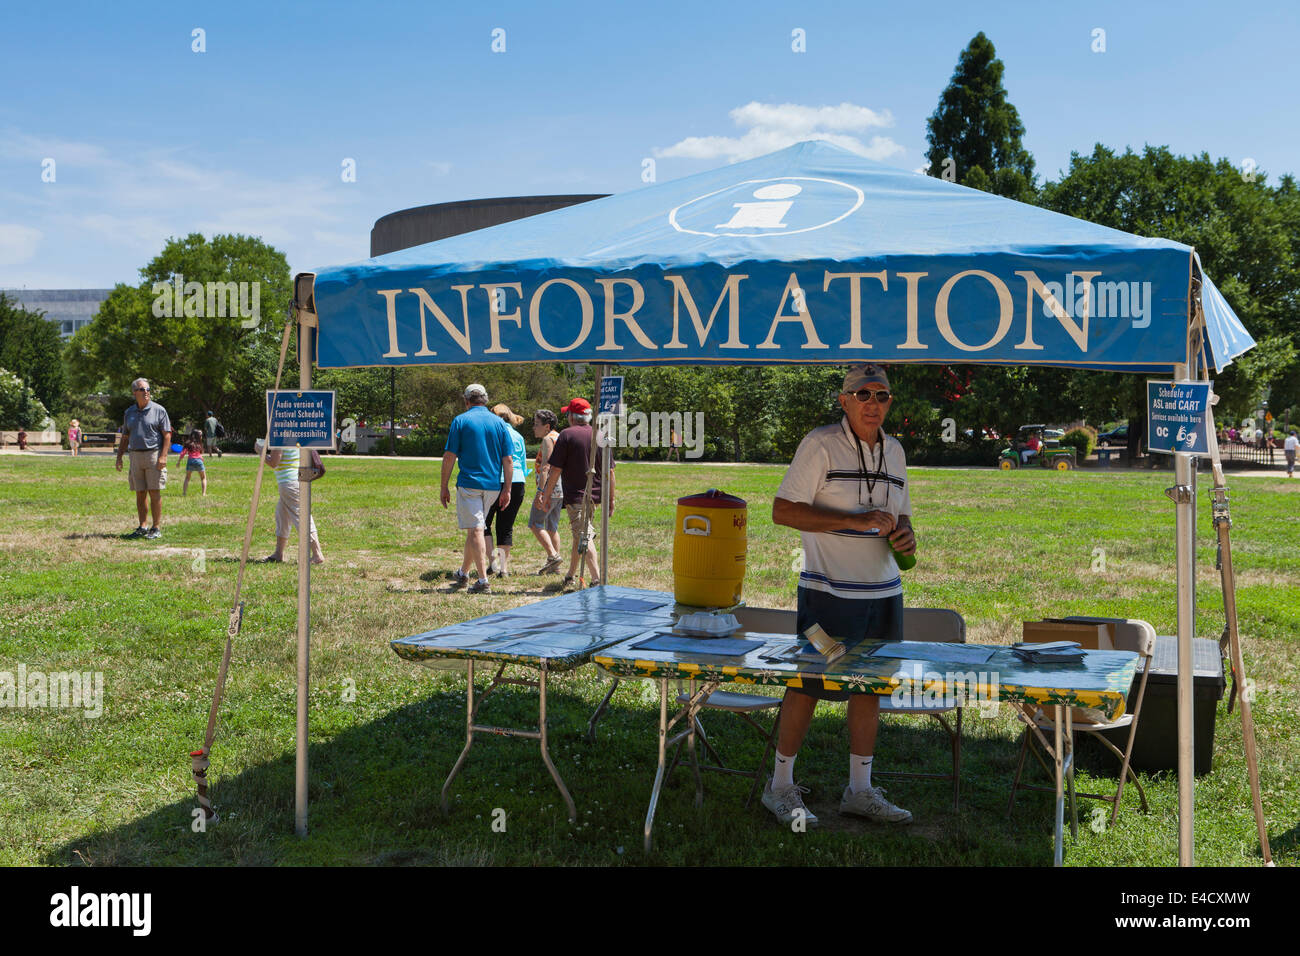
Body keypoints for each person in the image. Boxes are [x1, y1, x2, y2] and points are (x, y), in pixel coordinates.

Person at [764, 363, 917, 829]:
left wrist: (907, 536)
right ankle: (780, 786)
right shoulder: (820, 443)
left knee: (870, 689)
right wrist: (852, 521)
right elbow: (782, 511)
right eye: (864, 394)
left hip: (884, 596)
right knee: (807, 686)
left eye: (883, 395)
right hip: (827, 596)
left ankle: (860, 790)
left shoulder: (895, 451)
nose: (874, 403)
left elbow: (901, 516)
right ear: (844, 399)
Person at [441, 383, 512, 594]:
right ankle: (463, 573)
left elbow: (449, 456)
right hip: (492, 486)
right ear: (486, 400)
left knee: (476, 530)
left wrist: (443, 485)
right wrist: (507, 489)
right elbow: (508, 459)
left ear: (466, 401)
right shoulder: (499, 423)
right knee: (476, 529)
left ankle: (482, 581)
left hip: (470, 484)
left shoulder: (460, 420)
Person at [536, 397, 614, 589]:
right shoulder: (600, 434)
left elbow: (555, 470)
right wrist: (611, 498)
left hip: (577, 496)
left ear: (572, 416)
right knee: (579, 535)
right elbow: (610, 471)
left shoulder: (567, 435)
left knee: (583, 535)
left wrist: (545, 496)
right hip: (595, 496)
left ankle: (597, 580)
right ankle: (571, 575)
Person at [115, 378, 172, 539]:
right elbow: (125, 437)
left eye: (148, 389)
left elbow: (167, 435)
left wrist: (163, 456)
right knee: (140, 493)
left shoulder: (159, 410)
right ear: (135, 393)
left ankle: (156, 527)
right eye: (142, 389)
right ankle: (142, 526)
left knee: (154, 492)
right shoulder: (129, 413)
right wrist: (119, 457)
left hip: (154, 454)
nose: (146, 392)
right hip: (135, 455)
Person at [483, 404, 531, 577]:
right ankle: (503, 568)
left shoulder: (493, 434)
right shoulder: (518, 436)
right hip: (518, 482)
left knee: (484, 523)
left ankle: (493, 563)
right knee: (506, 527)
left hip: (497, 481)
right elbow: (523, 463)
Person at [261, 440, 325, 564]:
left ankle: (317, 554)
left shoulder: (280, 435)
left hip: (289, 483)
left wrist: (260, 450)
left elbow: (274, 462)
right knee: (282, 516)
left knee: (302, 517)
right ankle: (278, 553)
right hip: (298, 478)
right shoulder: (295, 433)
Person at [528, 409, 565, 574]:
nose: (533, 428)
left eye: (536, 424)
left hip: (551, 489)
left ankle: (553, 556)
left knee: (535, 523)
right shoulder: (560, 437)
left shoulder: (548, 439)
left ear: (547, 426)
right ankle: (555, 568)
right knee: (552, 527)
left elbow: (546, 467)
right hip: (561, 489)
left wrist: (540, 492)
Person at [180, 429, 207, 496]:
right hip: (199, 461)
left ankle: (184, 493)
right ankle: (203, 494)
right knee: (203, 478)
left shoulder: (188, 443)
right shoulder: (199, 444)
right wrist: (201, 459)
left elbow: (183, 453)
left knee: (187, 478)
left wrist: (179, 462)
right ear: (198, 436)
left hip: (190, 461)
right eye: (201, 436)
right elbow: (199, 454)